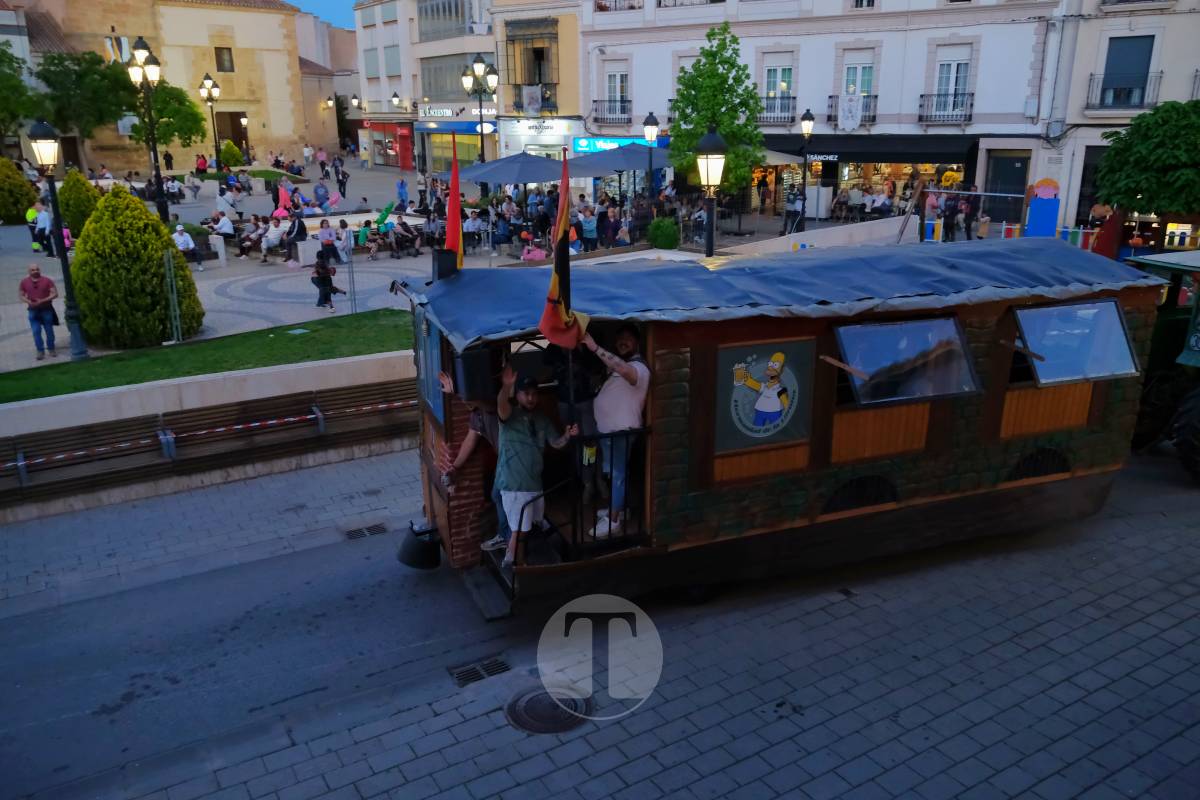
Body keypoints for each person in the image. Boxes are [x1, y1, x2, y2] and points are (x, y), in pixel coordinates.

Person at [494, 368, 578, 568]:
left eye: (534, 393)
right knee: (519, 530)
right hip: (513, 484)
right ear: (518, 395)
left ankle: (513, 558)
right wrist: (506, 386)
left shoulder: (542, 419)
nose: (531, 397)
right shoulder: (509, 416)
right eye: (526, 393)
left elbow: (556, 443)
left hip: (534, 483)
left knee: (528, 526)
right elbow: (501, 405)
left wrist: (567, 435)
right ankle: (519, 566)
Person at [583, 325, 650, 537]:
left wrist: (594, 348)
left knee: (618, 475)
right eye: (620, 338)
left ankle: (613, 521)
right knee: (616, 473)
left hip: (621, 433)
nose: (623, 341)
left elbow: (625, 370)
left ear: (637, 343)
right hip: (610, 432)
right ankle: (620, 509)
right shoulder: (620, 367)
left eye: (628, 338)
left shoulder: (639, 368)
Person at [437, 371, 510, 552]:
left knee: (501, 497)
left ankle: (509, 538)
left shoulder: (494, 409)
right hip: (506, 462)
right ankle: (512, 534)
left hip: (514, 462)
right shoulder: (477, 415)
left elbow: (488, 406)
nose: (466, 403)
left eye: (469, 399)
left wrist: (457, 392)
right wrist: (455, 468)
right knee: (499, 496)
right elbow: (470, 441)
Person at [19, 263, 58, 361]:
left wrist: (43, 300)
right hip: (33, 311)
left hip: (46, 310)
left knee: (49, 331)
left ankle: (51, 348)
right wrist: (28, 302)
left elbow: (55, 294)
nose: (35, 271)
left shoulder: (47, 280)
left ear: (40, 270)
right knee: (36, 332)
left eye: (37, 269)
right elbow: (21, 295)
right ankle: (40, 350)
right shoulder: (24, 282)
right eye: (32, 270)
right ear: (29, 271)